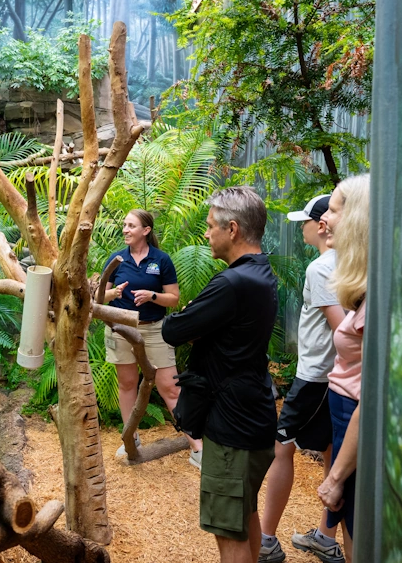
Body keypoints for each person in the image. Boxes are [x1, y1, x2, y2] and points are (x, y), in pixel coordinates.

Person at [162, 187, 278, 563]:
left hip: (232, 430)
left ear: (232, 229)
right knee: (244, 514)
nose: (206, 234)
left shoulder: (231, 283)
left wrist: (194, 321)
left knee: (228, 531)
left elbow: (174, 330)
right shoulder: (262, 273)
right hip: (254, 415)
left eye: (211, 226)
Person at [259, 195, 347, 563]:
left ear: (322, 225)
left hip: (316, 377)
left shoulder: (322, 268)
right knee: (330, 450)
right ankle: (326, 536)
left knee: (282, 450)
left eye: (307, 221)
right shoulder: (346, 262)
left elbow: (342, 328)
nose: (304, 227)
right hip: (334, 377)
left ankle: (265, 540)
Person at [102, 209, 202, 464]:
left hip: (154, 329)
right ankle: (130, 439)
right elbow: (97, 299)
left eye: (131, 226)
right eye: (124, 225)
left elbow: (174, 298)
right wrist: (112, 295)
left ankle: (197, 447)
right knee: (127, 384)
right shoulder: (116, 260)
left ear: (145, 231)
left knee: (169, 387)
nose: (125, 229)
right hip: (121, 328)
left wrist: (152, 296)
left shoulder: (161, 260)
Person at [315, 175, 370, 563]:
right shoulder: (364, 285)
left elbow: (371, 399)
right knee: (351, 526)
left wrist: (335, 477)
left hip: (355, 423)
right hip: (344, 419)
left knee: (358, 529)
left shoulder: (377, 297)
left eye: (332, 210)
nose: (324, 220)